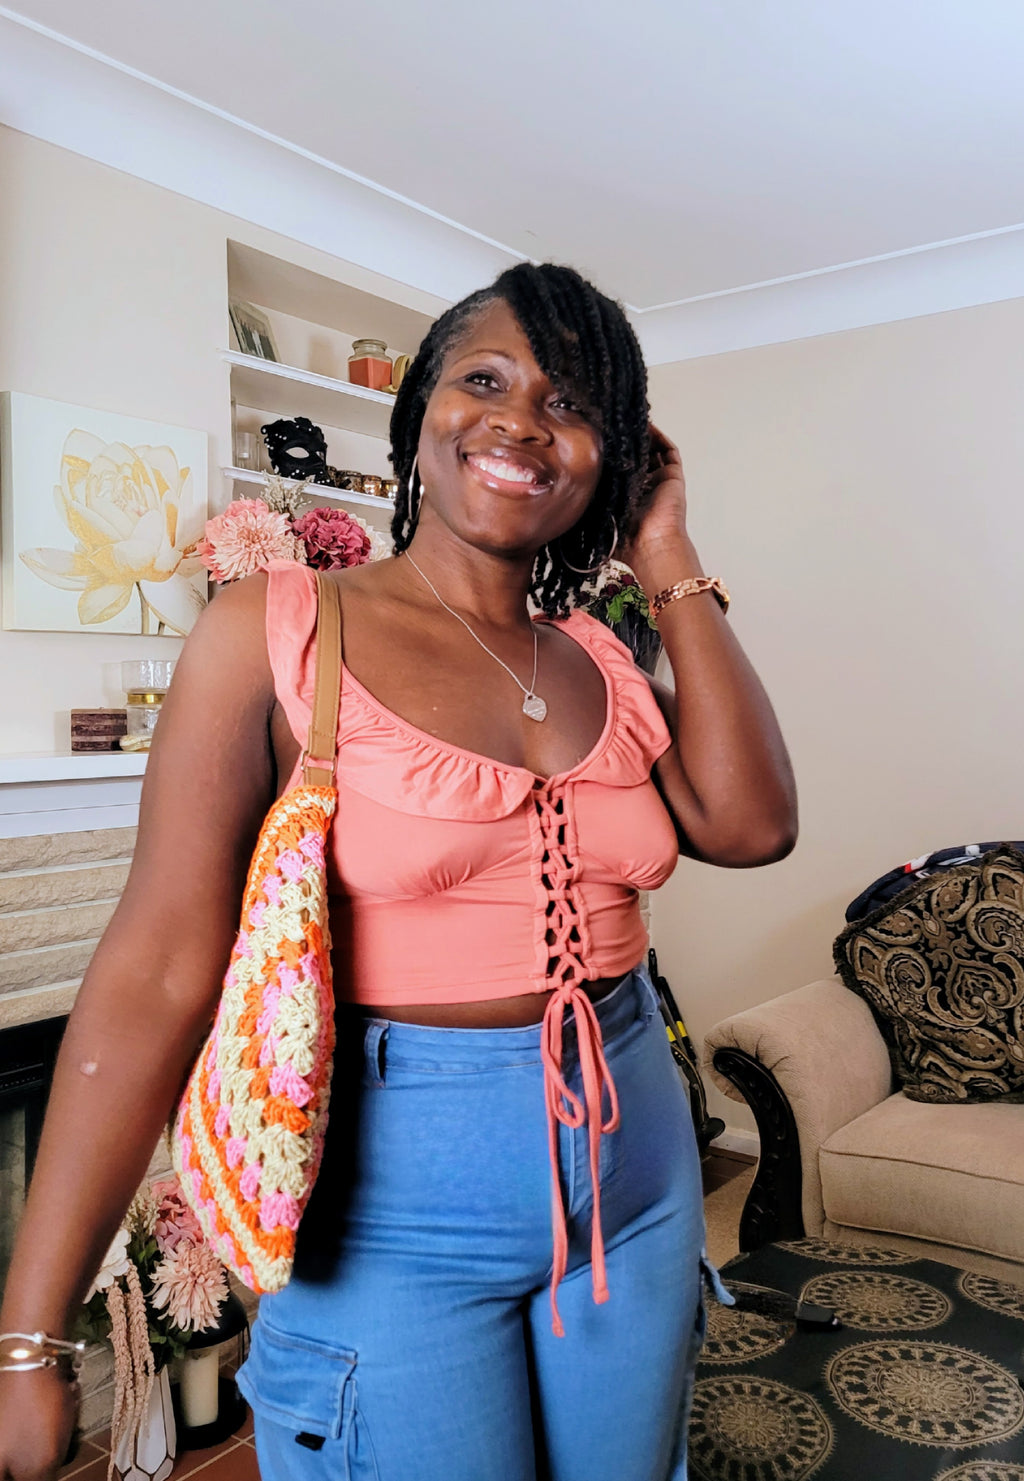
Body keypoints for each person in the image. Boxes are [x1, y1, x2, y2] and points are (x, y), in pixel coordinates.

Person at [0, 263, 796, 1481]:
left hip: (632, 1163)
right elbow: (157, 967)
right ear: (420, 409)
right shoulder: (277, 629)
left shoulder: (601, 653)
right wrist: (31, 1333)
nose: (522, 421)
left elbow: (751, 824)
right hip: (392, 1203)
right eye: (486, 379)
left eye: (571, 403)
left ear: (615, 455)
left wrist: (665, 546)